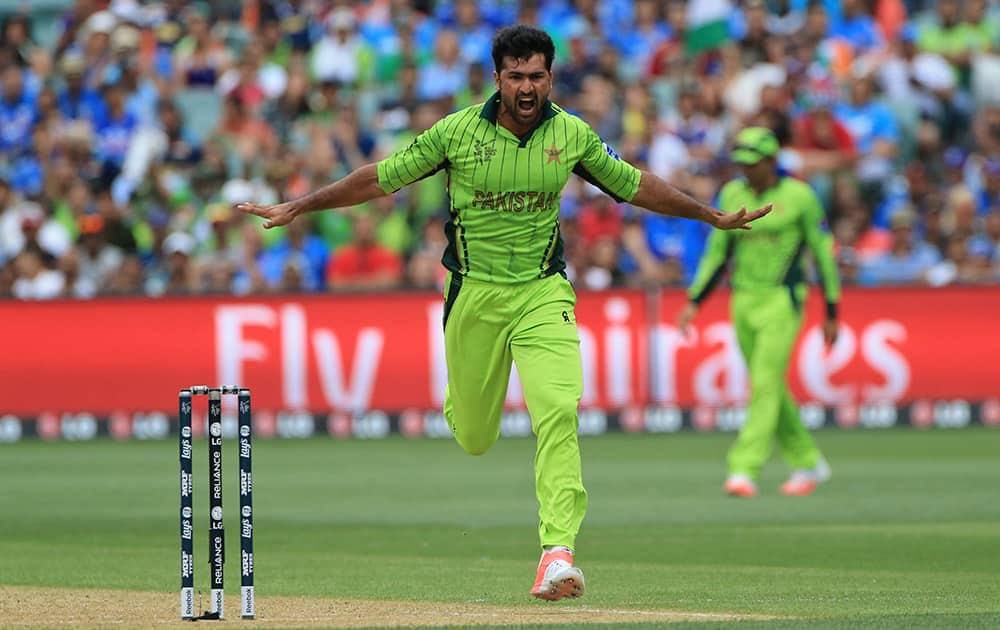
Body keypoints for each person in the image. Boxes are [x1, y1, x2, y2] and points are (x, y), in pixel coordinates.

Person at [238, 25, 769, 601]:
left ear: (550, 77)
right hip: (475, 296)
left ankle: (557, 553)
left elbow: (636, 186)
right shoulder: (457, 133)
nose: (525, 87)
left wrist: (709, 215)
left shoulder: (570, 134)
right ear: (497, 79)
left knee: (559, 411)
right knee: (473, 435)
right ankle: (465, 406)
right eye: (515, 76)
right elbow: (379, 178)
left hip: (543, 291)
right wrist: (301, 204)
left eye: (536, 76)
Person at [678, 127, 840, 499]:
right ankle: (808, 460)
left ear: (771, 161)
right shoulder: (733, 193)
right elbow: (718, 254)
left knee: (764, 383)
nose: (746, 170)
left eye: (753, 164)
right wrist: (694, 301)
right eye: (742, 164)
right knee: (771, 388)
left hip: (783, 300)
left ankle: (743, 468)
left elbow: (824, 254)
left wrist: (832, 309)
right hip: (743, 301)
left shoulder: (799, 196)